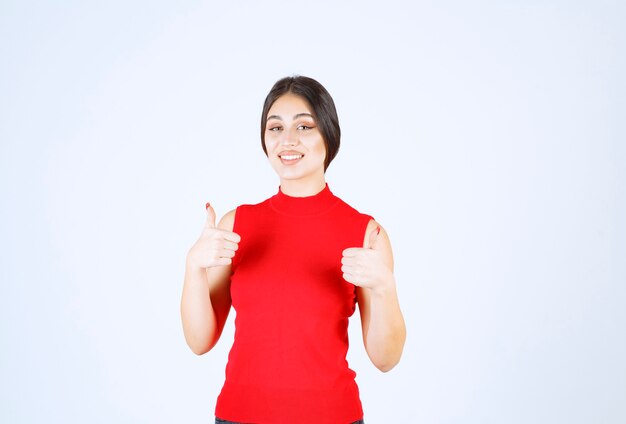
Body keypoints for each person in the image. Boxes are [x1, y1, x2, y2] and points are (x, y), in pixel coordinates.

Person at [181, 76, 406, 424]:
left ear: (328, 135)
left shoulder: (367, 234)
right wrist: (193, 267)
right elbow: (199, 341)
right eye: (275, 128)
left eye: (304, 126)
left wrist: (385, 286)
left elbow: (385, 359)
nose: (288, 140)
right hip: (239, 417)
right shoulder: (235, 224)